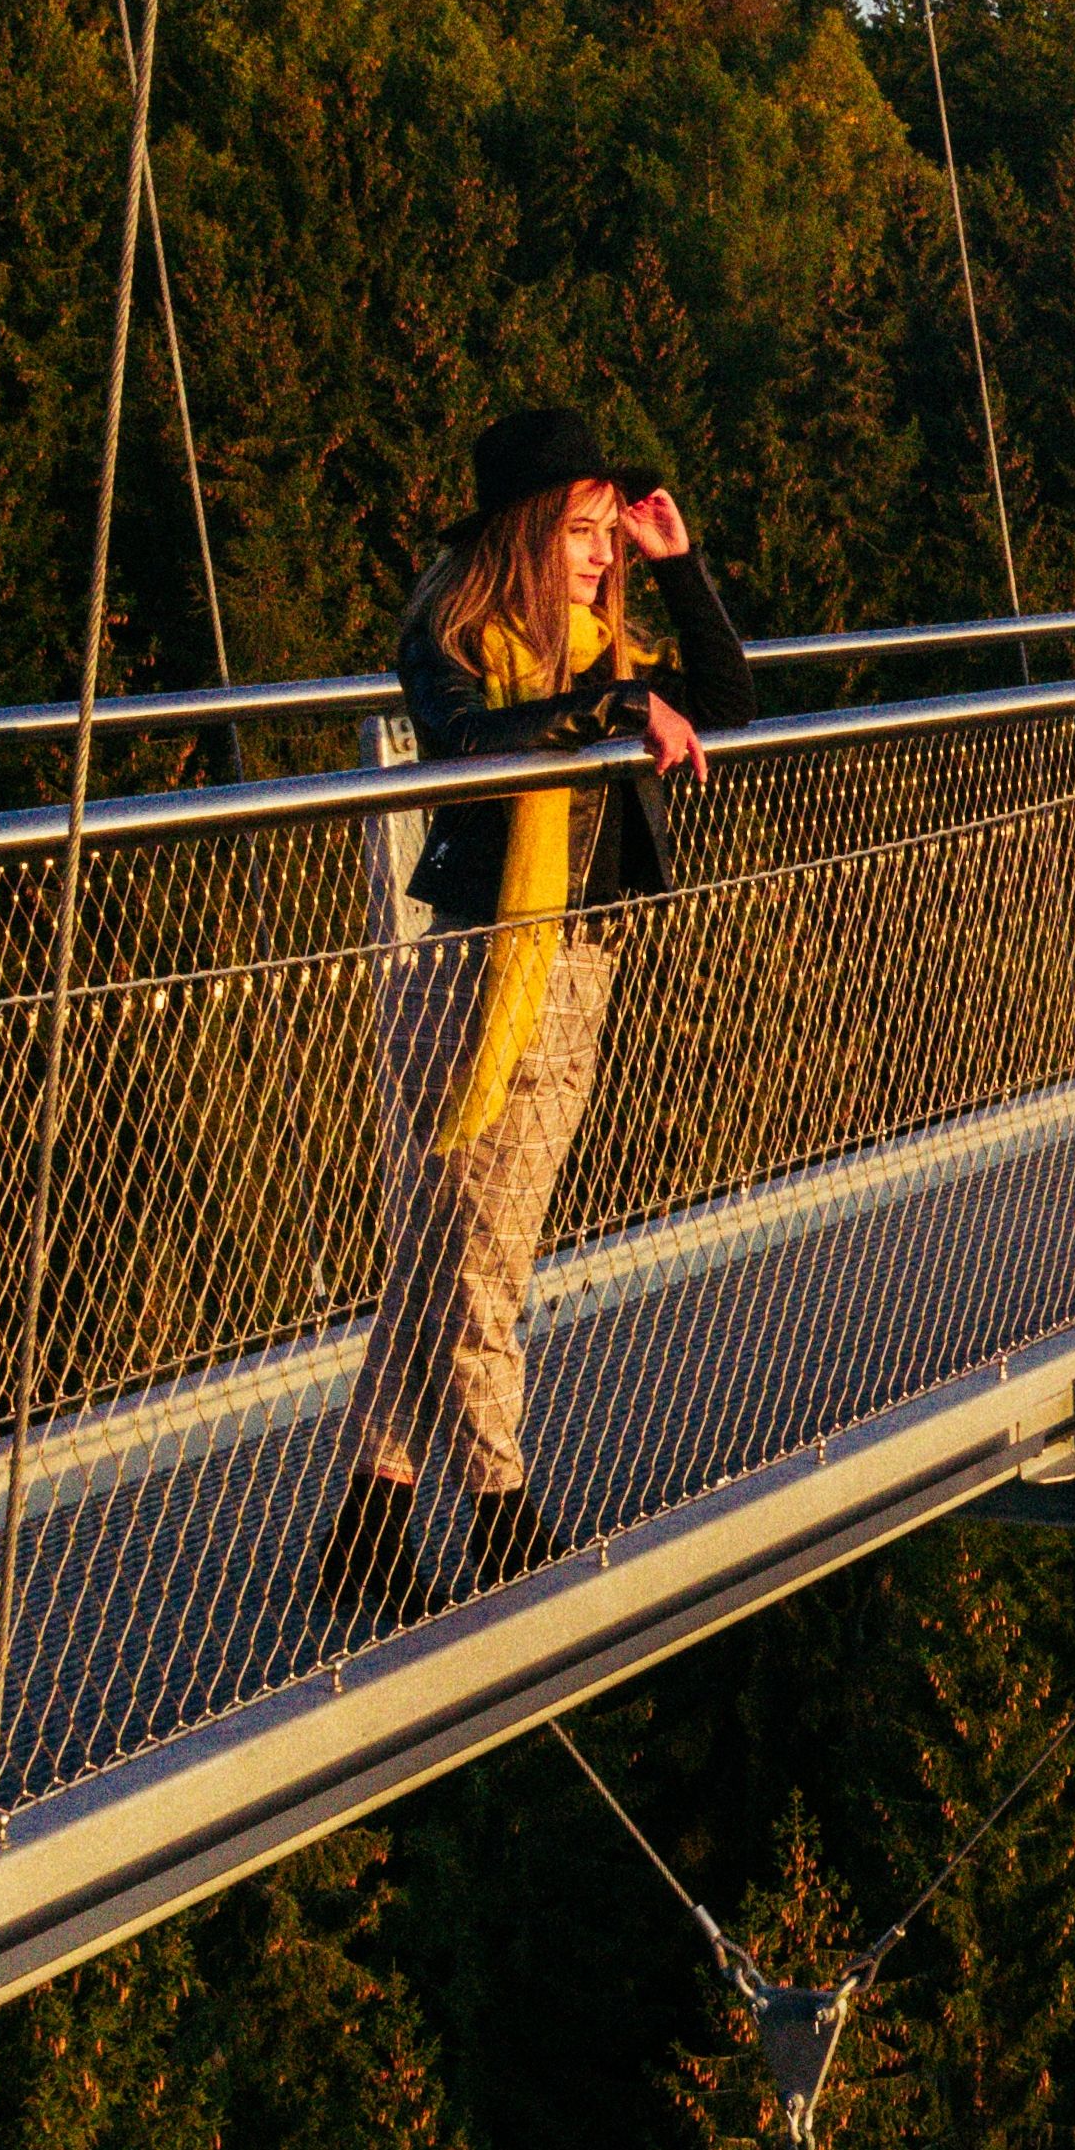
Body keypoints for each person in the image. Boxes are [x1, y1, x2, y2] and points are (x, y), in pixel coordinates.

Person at [316, 407, 753, 1623]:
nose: (604, 553)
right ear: (522, 533)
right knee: (482, 1260)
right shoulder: (455, 637)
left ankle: (367, 1527)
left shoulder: (602, 651)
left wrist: (679, 565)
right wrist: (617, 715)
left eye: (612, 532)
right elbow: (466, 741)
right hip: (481, 971)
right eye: (582, 530)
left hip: (571, 968)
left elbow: (729, 700)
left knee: (438, 1258)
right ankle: (502, 1513)